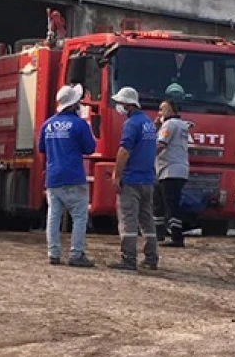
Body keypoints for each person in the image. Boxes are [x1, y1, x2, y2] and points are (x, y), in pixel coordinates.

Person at [37, 84, 97, 267]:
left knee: (53, 216)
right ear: (73, 105)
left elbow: (41, 148)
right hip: (73, 176)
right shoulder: (79, 124)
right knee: (79, 216)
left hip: (53, 177)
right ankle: (76, 254)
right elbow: (90, 148)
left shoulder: (47, 124)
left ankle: (53, 254)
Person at [110, 86, 159, 271]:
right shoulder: (148, 123)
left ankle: (128, 259)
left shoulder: (131, 124)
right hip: (147, 179)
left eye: (121, 103)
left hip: (131, 180)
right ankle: (151, 258)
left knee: (128, 220)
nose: (119, 107)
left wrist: (117, 175)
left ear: (129, 105)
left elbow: (124, 151)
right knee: (147, 221)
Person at [155, 99, 191, 248]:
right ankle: (159, 233)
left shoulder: (169, 125)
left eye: (162, 109)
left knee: (170, 204)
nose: (159, 113)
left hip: (170, 169)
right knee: (161, 202)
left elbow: (161, 145)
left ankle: (176, 238)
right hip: (178, 169)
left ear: (170, 111)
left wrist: (144, 156)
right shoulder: (182, 125)